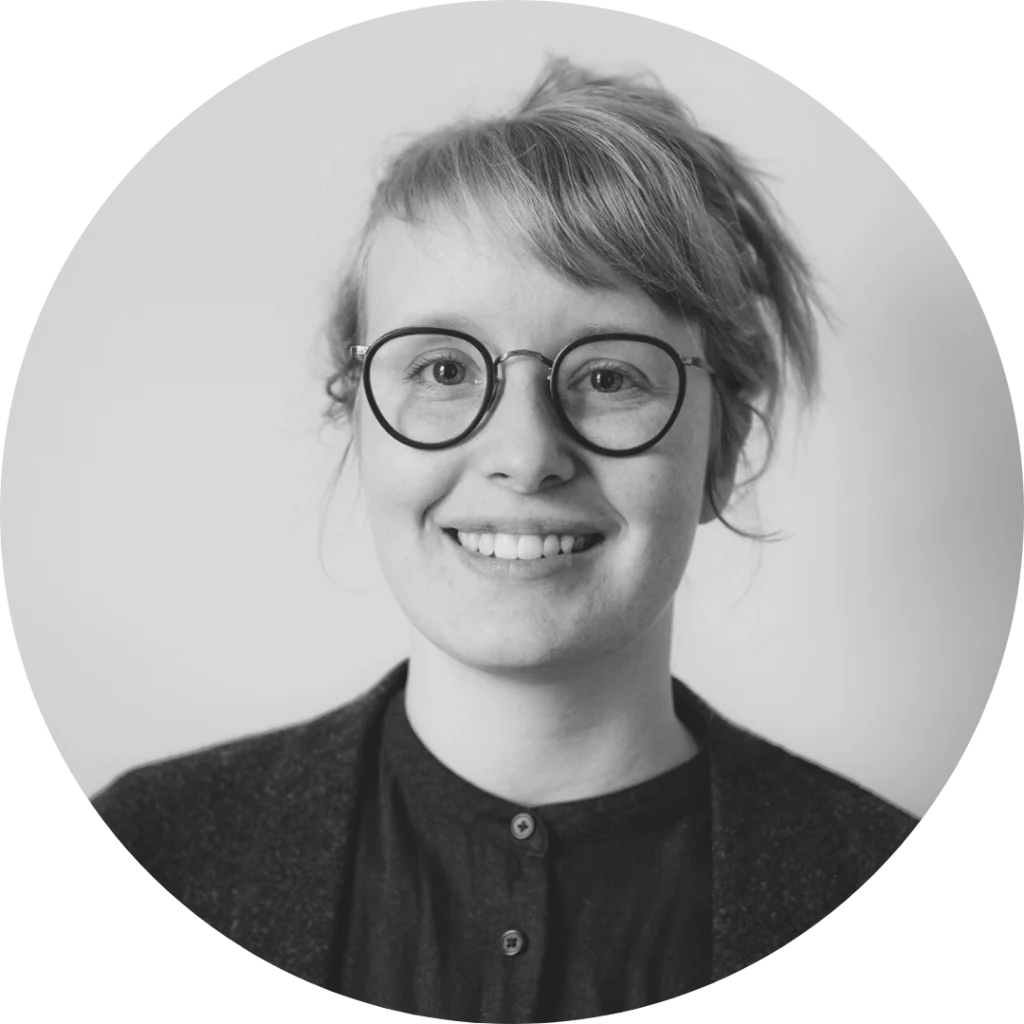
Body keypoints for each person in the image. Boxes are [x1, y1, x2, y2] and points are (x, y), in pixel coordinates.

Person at [89, 56, 920, 1015]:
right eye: (442, 369)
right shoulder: (152, 849)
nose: (525, 454)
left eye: (610, 376)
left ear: (721, 450)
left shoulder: (870, 869)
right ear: (356, 421)